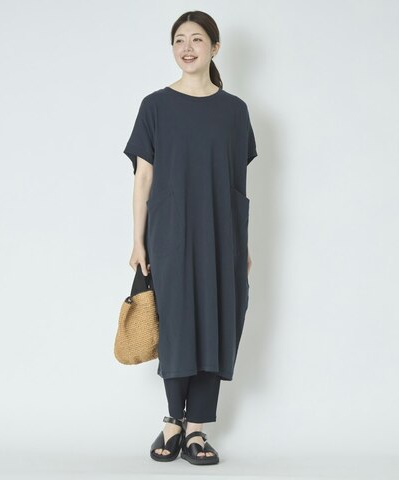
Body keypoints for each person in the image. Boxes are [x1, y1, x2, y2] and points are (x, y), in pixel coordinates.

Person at [123, 10, 258, 466]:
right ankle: (172, 421)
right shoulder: (155, 106)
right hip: (170, 233)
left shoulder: (235, 111)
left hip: (222, 235)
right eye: (179, 39)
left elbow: (237, 186)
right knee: (177, 321)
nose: (187, 47)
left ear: (214, 48)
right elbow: (143, 180)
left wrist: (243, 245)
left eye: (197, 39)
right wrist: (138, 241)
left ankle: (198, 427)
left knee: (217, 320)